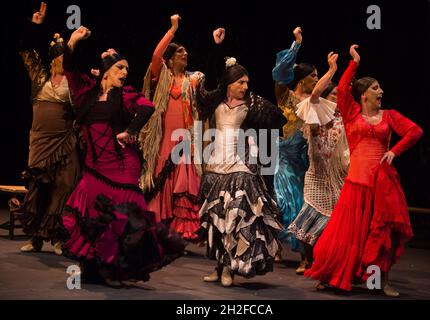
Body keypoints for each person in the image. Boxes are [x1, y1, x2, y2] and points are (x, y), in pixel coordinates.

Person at [62, 26, 186, 287]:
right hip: (95, 166)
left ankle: (116, 269)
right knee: (92, 215)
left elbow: (148, 107)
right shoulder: (86, 92)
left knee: (121, 221)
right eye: (120, 68)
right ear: (106, 71)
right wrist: (73, 41)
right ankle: (96, 265)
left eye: (127, 69)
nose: (125, 73)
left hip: (122, 166)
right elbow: (70, 68)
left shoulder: (126, 96)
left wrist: (130, 131)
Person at [305, 45, 423, 297]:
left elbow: (415, 131)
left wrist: (394, 151)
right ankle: (334, 275)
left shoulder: (389, 116)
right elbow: (345, 86)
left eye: (380, 88)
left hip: (380, 184)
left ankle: (381, 282)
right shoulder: (351, 113)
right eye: (375, 88)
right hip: (355, 183)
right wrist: (353, 63)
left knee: (381, 236)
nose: (381, 92)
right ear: (364, 95)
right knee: (347, 235)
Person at [196, 28, 285, 287]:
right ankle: (218, 265)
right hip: (216, 165)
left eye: (247, 82)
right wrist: (216, 47)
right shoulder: (215, 102)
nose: (246, 86)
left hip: (240, 165)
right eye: (241, 82)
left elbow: (278, 120)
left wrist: (256, 144)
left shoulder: (252, 104)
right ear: (229, 85)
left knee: (236, 220)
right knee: (217, 220)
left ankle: (230, 270)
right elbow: (211, 75)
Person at [18, 2, 81, 255]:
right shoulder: (39, 75)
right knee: (39, 187)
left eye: (63, 56)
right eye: (57, 56)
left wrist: (75, 40)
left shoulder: (73, 81)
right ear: (51, 57)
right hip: (41, 141)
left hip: (64, 140)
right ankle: (35, 237)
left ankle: (56, 237)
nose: (60, 60)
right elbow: (24, 48)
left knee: (63, 185)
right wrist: (35, 25)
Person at [140, 14, 202, 241]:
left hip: (185, 139)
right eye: (180, 52)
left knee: (184, 184)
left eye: (185, 52)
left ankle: (182, 228)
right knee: (162, 179)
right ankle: (159, 224)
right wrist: (172, 29)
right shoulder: (162, 77)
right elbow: (156, 55)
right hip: (164, 137)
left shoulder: (193, 80)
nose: (185, 54)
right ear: (170, 59)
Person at [288, 52, 350, 275]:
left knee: (333, 224)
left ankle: (327, 262)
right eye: (333, 94)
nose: (336, 98)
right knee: (308, 221)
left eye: (337, 95)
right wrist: (332, 70)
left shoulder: (342, 118)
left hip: (338, 177)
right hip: (317, 176)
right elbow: (314, 95)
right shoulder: (315, 115)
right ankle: (309, 259)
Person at [271, 27, 310, 260]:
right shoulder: (284, 96)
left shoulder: (315, 102)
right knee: (283, 201)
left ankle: (306, 254)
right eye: (313, 76)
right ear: (303, 79)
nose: (316, 80)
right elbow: (280, 73)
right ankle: (275, 244)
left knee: (302, 205)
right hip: (283, 157)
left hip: (303, 159)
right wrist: (296, 45)